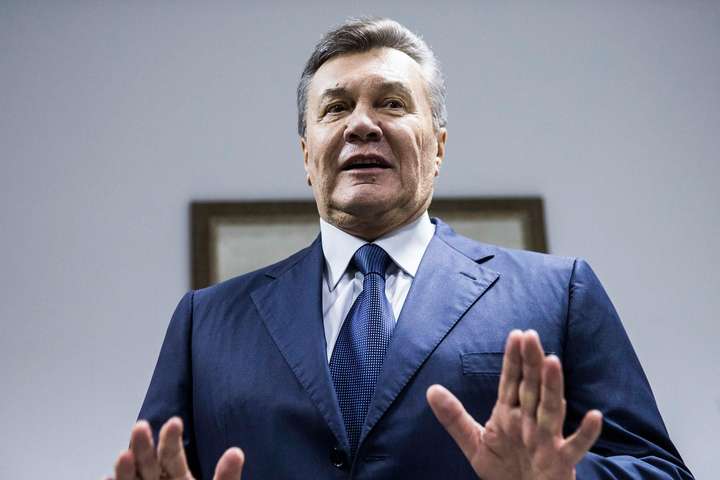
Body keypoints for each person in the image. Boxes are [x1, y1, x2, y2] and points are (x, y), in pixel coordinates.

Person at [109, 18, 693, 480]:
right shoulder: (205, 321)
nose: (361, 125)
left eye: (391, 103)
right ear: (307, 156)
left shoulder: (559, 292)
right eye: (336, 108)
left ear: (438, 148)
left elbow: (660, 470)